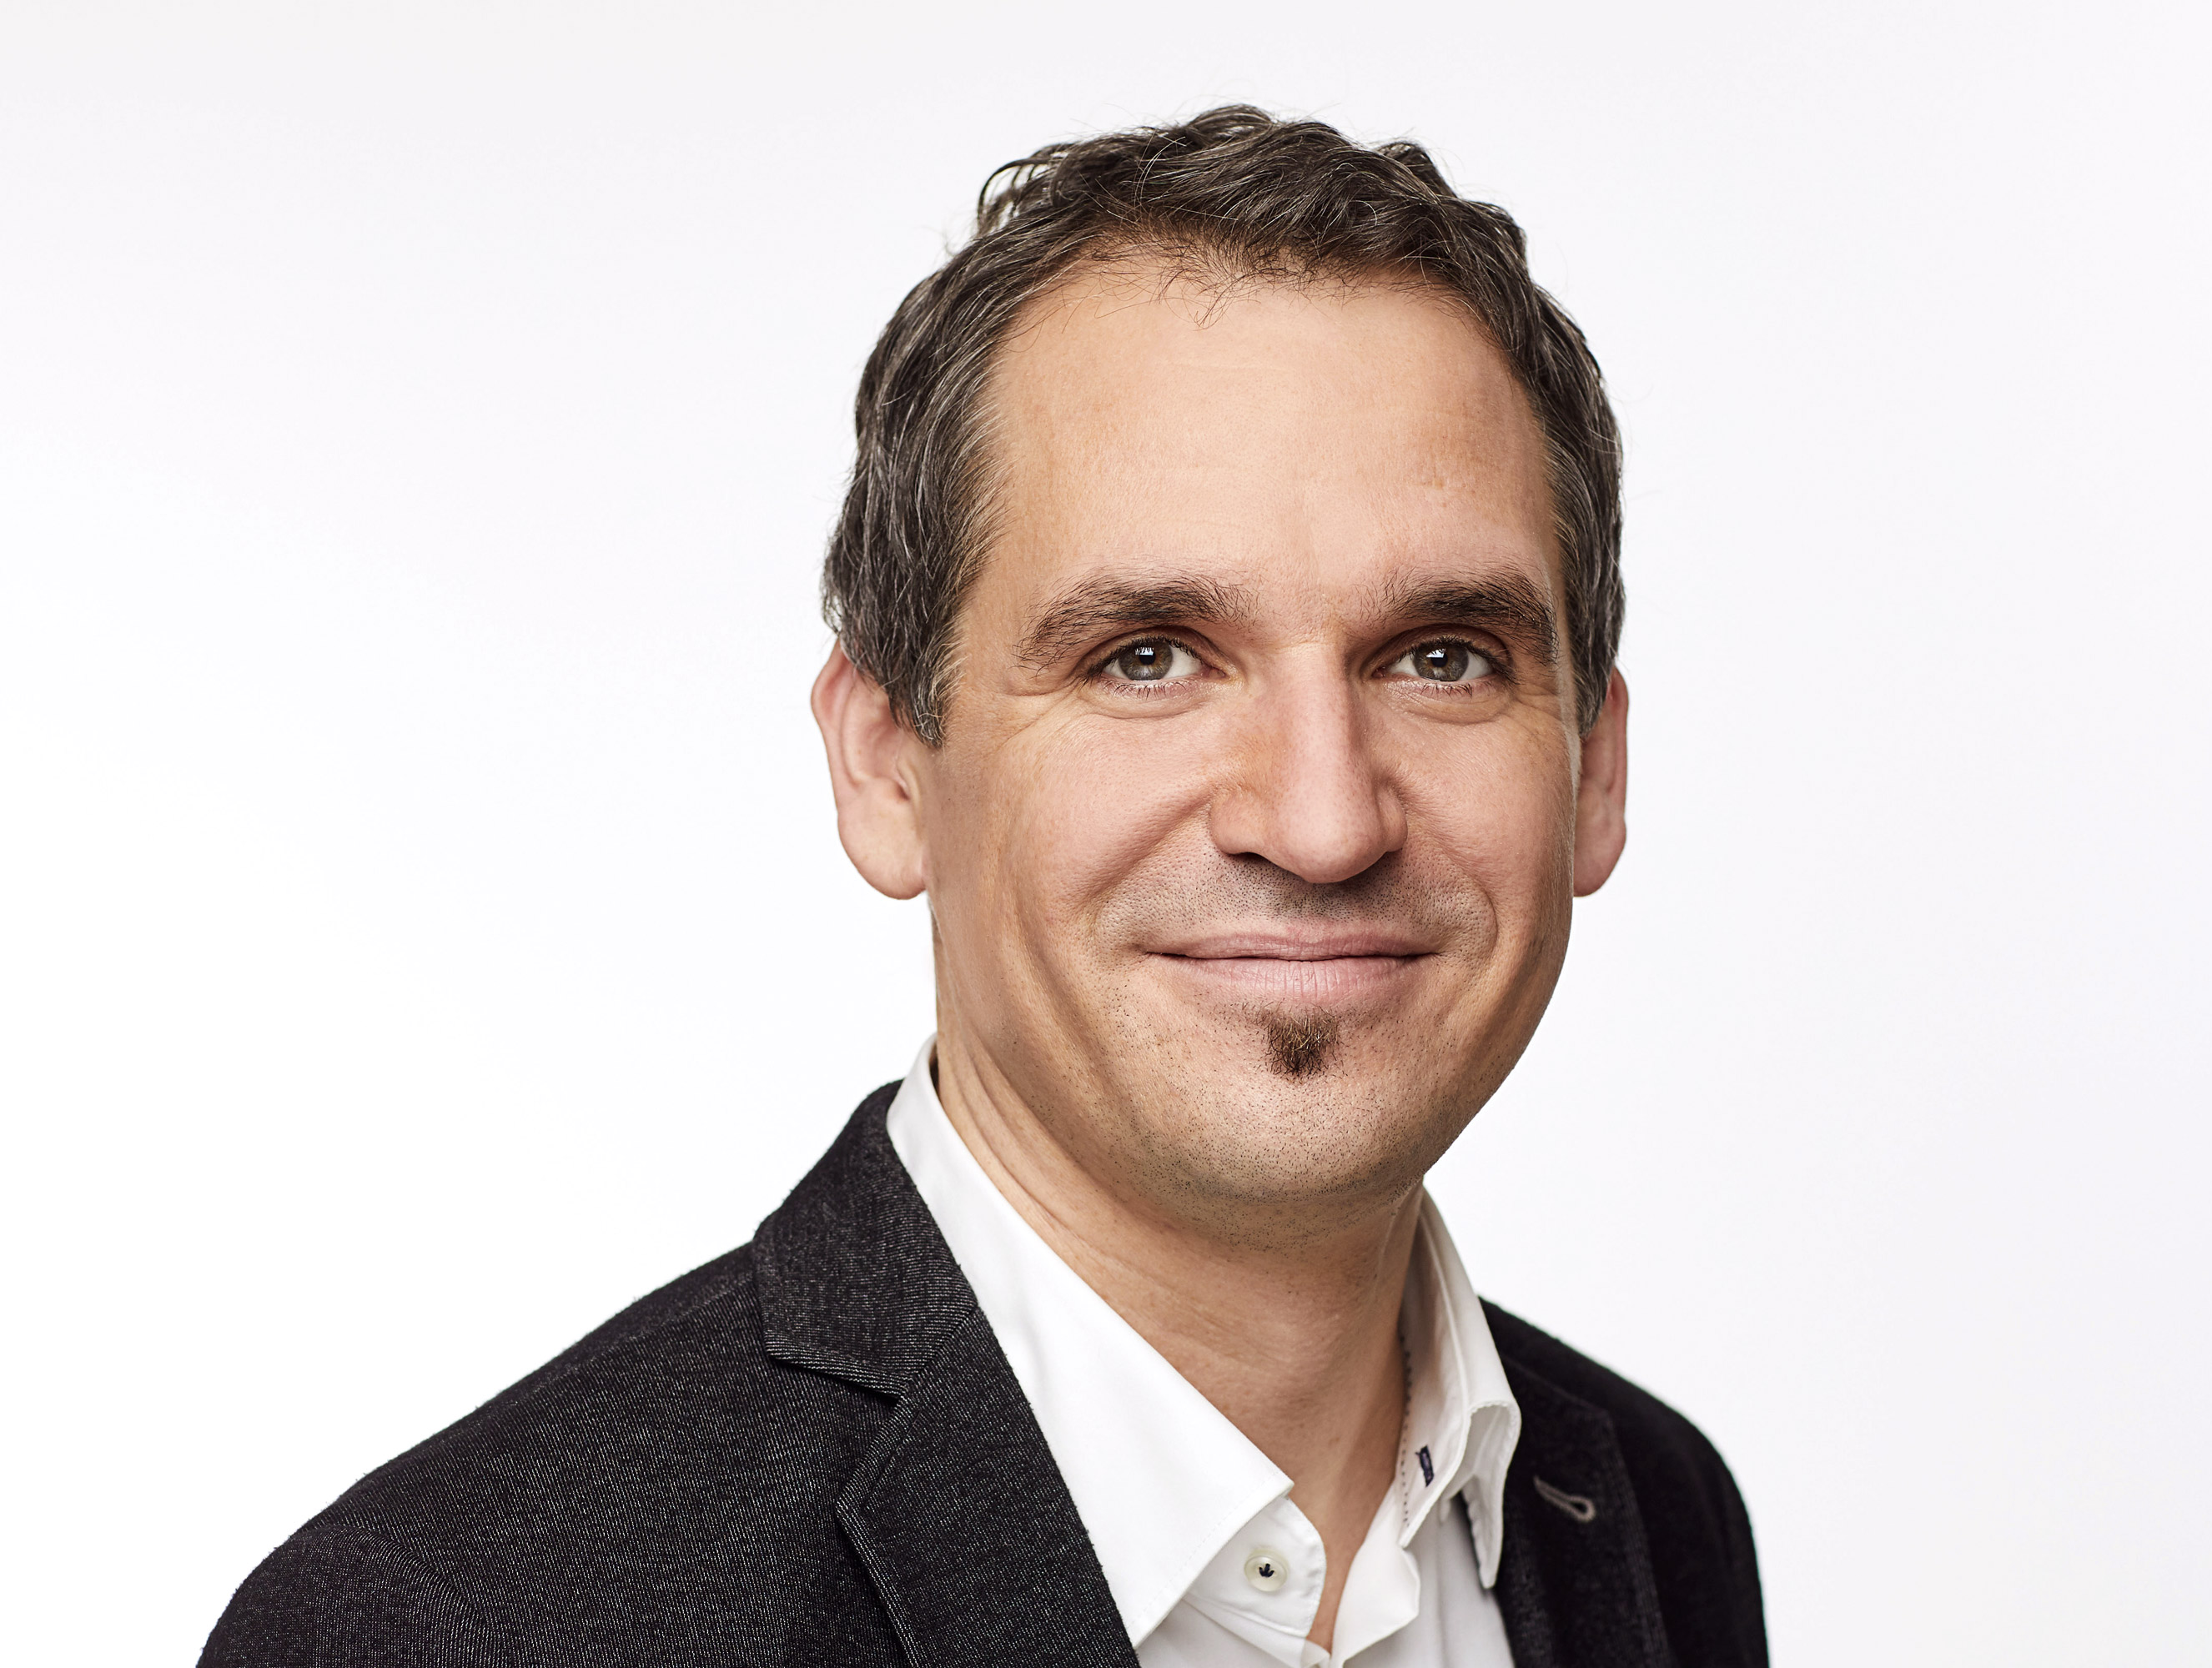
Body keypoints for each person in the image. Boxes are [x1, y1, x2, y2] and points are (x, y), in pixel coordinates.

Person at [203, 106, 1767, 1668]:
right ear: (888, 766)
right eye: (1146, 657)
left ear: (1594, 772)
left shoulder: (1652, 1512)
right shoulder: (458, 1628)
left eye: (1442, 658)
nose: (1321, 819)